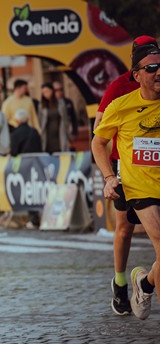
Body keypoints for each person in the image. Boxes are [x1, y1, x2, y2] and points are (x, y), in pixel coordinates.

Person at [91, 44, 160, 321]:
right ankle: (121, 281)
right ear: (137, 74)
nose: (158, 72)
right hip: (139, 186)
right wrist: (109, 177)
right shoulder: (121, 105)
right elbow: (98, 142)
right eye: (151, 68)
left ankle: (145, 284)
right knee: (132, 233)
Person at [10, 109, 43, 229]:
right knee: (36, 190)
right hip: (37, 165)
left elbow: (14, 152)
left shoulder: (15, 134)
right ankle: (37, 218)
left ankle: (33, 219)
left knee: (27, 192)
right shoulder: (34, 131)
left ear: (17, 120)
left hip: (23, 167)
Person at [38, 83, 72, 153]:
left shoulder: (61, 103)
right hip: (47, 135)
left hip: (60, 132)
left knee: (62, 152)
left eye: (47, 91)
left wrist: (69, 135)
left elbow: (65, 119)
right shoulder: (41, 106)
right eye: (43, 93)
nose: (46, 94)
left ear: (52, 91)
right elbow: (40, 121)